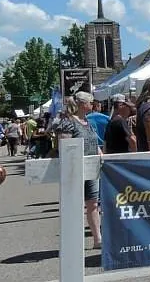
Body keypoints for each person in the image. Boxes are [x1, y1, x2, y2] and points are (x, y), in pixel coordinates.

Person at [56, 92, 102, 250]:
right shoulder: (68, 122)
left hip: (92, 168)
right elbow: (64, 145)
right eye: (90, 102)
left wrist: (101, 157)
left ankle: (98, 239)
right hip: (75, 170)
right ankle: (73, 242)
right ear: (83, 104)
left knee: (94, 203)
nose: (92, 105)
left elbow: (94, 143)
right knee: (74, 205)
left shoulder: (87, 121)